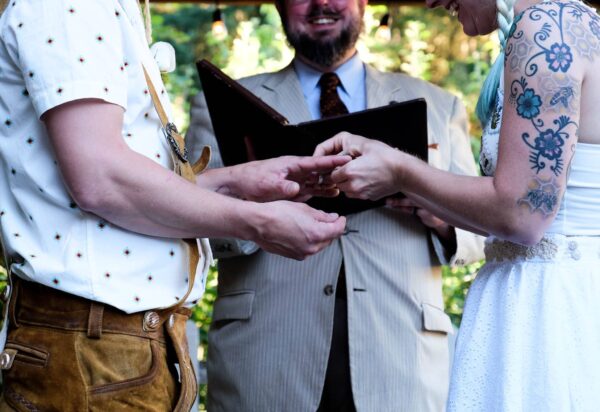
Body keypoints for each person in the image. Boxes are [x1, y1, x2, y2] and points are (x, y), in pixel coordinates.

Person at [0, 0, 350, 410]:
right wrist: (257, 222)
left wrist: (237, 183)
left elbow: (119, 187)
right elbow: (100, 178)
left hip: (116, 346)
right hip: (93, 348)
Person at [186, 0, 484, 409]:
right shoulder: (221, 104)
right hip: (268, 354)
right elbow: (193, 222)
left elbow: (480, 233)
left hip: (400, 355)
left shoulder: (437, 103)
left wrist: (437, 212)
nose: (321, 3)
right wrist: (262, 206)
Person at [316, 0, 600, 409]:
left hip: (551, 313)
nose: (429, 2)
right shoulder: (563, 24)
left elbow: (522, 215)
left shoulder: (545, 29)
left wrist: (399, 169)